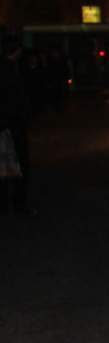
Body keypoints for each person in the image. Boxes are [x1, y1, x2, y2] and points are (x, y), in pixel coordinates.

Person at [0, 34, 31, 214]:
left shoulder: (9, 68)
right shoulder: (10, 71)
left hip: (7, 124)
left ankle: (6, 203)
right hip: (12, 125)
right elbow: (12, 100)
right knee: (18, 164)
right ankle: (17, 203)